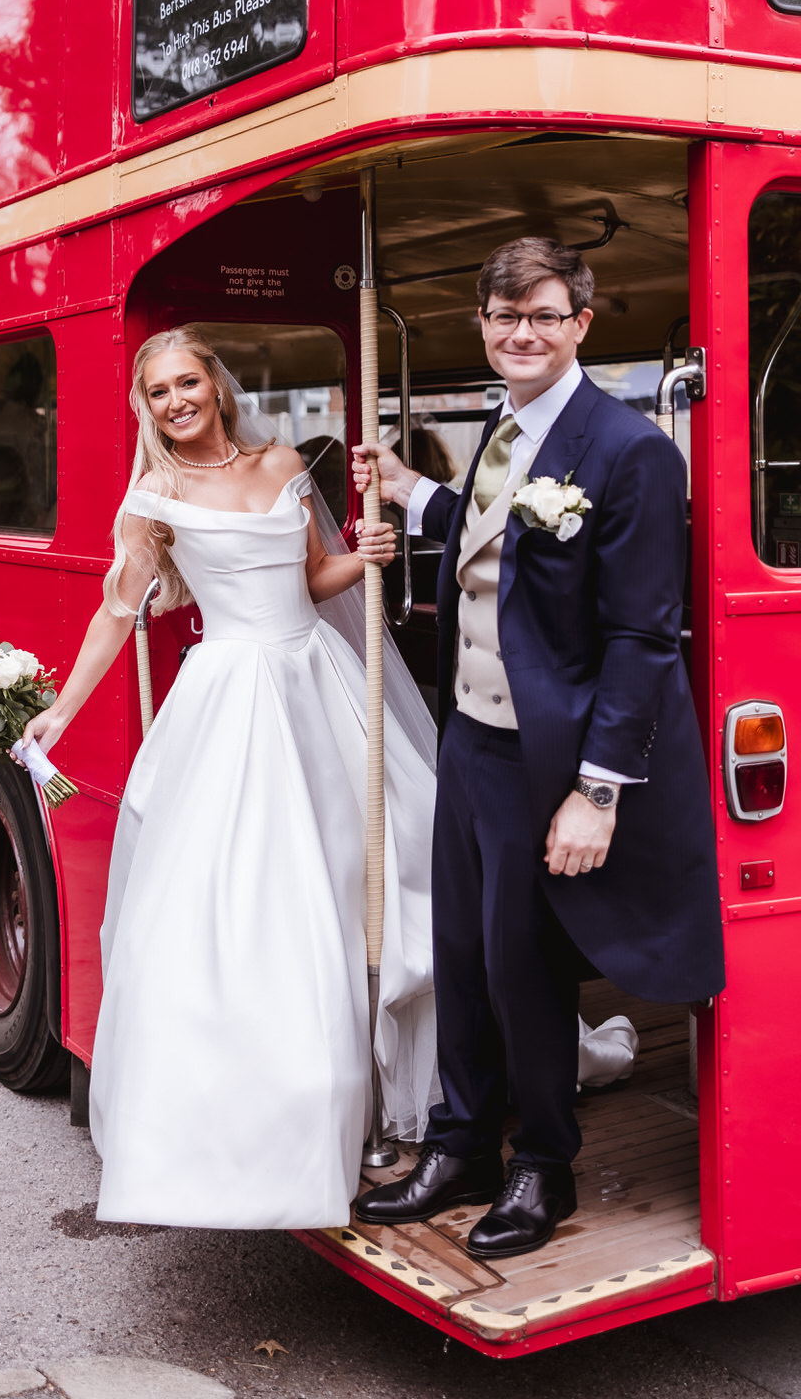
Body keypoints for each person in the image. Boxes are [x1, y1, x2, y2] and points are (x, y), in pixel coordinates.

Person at [352, 237, 724, 1259]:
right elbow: (499, 539)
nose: (523, 333)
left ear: (581, 327)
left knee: (526, 965)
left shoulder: (630, 448)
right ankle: (461, 1144)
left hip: (545, 759)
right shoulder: (503, 427)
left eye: (544, 316)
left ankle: (542, 1164)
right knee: (465, 954)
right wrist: (402, 488)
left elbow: (642, 639)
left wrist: (596, 793)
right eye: (505, 315)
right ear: (483, 324)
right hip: (469, 739)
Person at [19, 325, 440, 1228]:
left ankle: (376, 1080)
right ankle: (261, 1121)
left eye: (186, 382)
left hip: (314, 681)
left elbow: (313, 575)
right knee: (253, 898)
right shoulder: (153, 497)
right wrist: (63, 708)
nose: (174, 401)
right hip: (232, 700)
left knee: (370, 865)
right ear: (147, 407)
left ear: (215, 383)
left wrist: (365, 556)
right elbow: (115, 613)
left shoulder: (285, 461)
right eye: (157, 392)